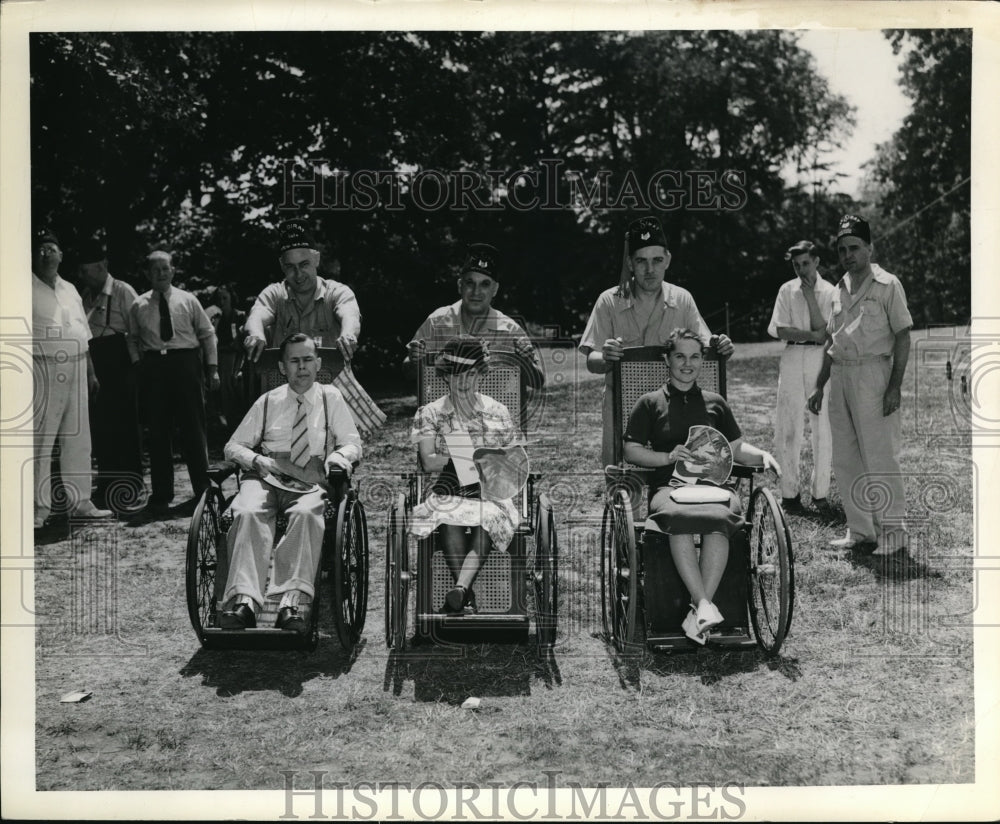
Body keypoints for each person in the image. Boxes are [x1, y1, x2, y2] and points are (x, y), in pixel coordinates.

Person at [623, 329, 779, 643]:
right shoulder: (650, 402)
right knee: (679, 517)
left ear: (702, 362)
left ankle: (700, 609)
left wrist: (763, 454)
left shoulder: (715, 403)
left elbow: (735, 449)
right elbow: (631, 450)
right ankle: (705, 603)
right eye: (680, 355)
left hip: (714, 486)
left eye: (695, 356)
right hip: (670, 487)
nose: (687, 363)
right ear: (667, 359)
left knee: (720, 518)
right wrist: (666, 455)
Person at [219, 333, 362, 632]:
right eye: (294, 361)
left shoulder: (330, 397)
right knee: (246, 511)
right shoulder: (268, 401)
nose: (302, 367)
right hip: (267, 475)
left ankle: (290, 602)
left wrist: (337, 458)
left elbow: (352, 443)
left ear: (318, 363)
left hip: (310, 479)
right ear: (283, 367)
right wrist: (258, 461)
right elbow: (233, 447)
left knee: (307, 514)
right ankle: (245, 602)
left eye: (308, 359)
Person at [579, 216, 735, 467]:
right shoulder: (608, 301)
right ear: (630, 263)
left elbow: (706, 349)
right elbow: (591, 360)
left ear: (668, 260)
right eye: (641, 261)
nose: (649, 269)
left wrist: (722, 348)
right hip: (623, 405)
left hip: (671, 408)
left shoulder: (683, 300)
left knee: (683, 471)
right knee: (622, 478)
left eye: (657, 260)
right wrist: (605, 357)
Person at [808, 215, 913, 557]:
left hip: (873, 375)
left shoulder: (888, 285)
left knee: (880, 456)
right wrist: (820, 385)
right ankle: (861, 530)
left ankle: (893, 533)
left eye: (854, 247)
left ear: (870, 247)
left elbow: (902, 336)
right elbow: (831, 341)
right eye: (842, 249)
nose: (848, 254)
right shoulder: (839, 289)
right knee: (847, 457)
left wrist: (894, 386)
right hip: (840, 377)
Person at [409, 336, 520, 613]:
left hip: (489, 493)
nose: (463, 381)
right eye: (456, 374)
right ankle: (464, 595)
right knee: (449, 517)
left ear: (481, 374)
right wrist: (476, 458)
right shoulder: (431, 413)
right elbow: (428, 461)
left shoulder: (497, 412)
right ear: (446, 376)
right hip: (447, 491)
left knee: (487, 518)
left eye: (470, 374)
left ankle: (461, 591)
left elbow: (514, 461)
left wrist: (492, 463)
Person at [31, 228, 112, 528]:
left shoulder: (70, 290)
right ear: (32, 255)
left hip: (77, 365)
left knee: (78, 437)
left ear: (61, 255)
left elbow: (84, 334)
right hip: (42, 367)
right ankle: (37, 509)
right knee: (41, 441)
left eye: (52, 248)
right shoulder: (22, 287)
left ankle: (81, 503)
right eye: (41, 249)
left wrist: (91, 371)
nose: (47, 253)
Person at [128, 250, 220, 511]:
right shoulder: (139, 305)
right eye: (155, 269)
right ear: (147, 273)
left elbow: (207, 334)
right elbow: (132, 338)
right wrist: (138, 363)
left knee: (193, 427)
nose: (161, 273)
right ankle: (161, 493)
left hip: (185, 363)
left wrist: (212, 368)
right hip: (154, 366)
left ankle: (202, 490)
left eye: (165, 268)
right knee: (158, 430)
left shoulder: (188, 300)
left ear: (173, 271)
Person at [404, 242, 544, 386]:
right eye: (470, 283)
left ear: (495, 289)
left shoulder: (510, 330)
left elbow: (538, 382)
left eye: (485, 284)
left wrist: (526, 363)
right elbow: (408, 373)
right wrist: (415, 360)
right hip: (443, 407)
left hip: (495, 407)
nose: (476, 291)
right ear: (460, 285)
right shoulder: (437, 321)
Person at [766, 240, 837, 515]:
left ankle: (820, 493)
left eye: (806, 263)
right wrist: (808, 335)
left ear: (816, 261)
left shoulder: (830, 291)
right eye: (796, 265)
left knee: (822, 425)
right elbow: (782, 330)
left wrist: (810, 298)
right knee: (788, 424)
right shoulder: (786, 289)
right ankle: (790, 493)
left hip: (820, 357)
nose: (801, 270)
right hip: (793, 357)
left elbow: (826, 333)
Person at [77, 236, 145, 512]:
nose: (83, 274)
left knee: (127, 424)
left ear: (102, 265)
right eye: (81, 270)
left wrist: (138, 368)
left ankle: (132, 486)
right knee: (102, 426)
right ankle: (107, 484)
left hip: (120, 361)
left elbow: (137, 330)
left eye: (87, 269)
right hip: (96, 362)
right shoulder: (84, 296)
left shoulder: (122, 290)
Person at [243, 218, 361, 362]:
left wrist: (348, 335)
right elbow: (256, 316)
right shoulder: (273, 294)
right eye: (290, 267)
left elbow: (350, 315)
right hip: (285, 382)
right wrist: (256, 334)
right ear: (281, 265)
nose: (298, 274)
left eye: (304, 264)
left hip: (332, 382)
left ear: (316, 259)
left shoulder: (337, 292)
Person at [209, 283, 248, 436]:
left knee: (234, 390)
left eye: (225, 298)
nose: (222, 301)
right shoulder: (215, 318)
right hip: (220, 359)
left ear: (232, 298)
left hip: (237, 359)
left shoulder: (239, 316)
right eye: (219, 298)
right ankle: (228, 428)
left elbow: (241, 343)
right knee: (222, 393)